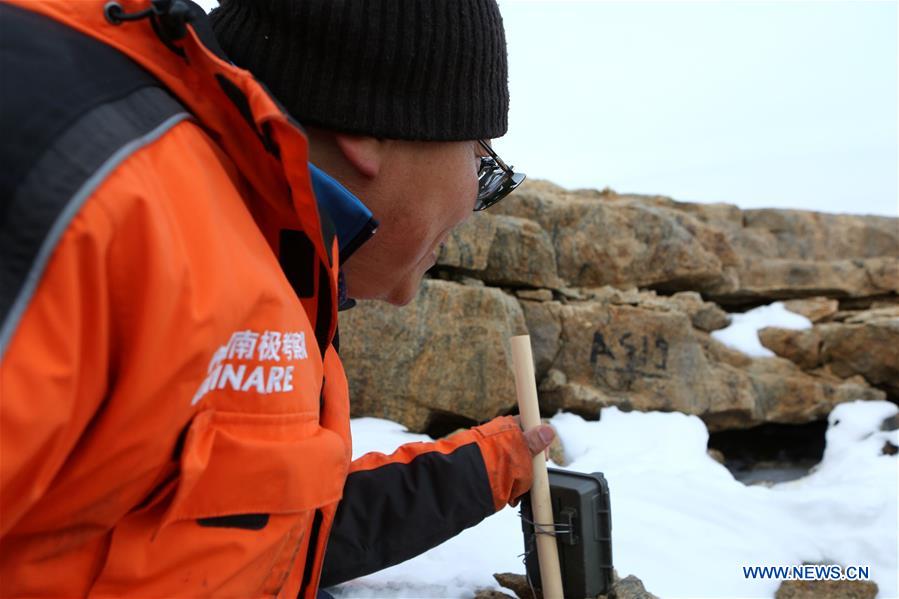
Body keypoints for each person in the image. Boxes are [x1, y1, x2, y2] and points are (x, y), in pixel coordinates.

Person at [0, 1, 554, 597]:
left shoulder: (280, 256)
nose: (477, 203)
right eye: (482, 164)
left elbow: (278, 531)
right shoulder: (93, 199)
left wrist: (495, 463)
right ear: (374, 123)